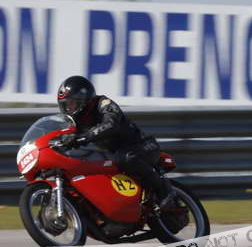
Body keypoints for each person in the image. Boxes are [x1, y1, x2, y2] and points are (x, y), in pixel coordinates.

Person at [56, 75, 175, 209]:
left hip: (142, 145)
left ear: (84, 101)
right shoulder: (75, 121)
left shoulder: (103, 103)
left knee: (127, 158)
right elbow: (63, 134)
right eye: (66, 105)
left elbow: (111, 123)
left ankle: (164, 190)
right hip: (115, 154)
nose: (68, 108)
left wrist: (84, 137)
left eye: (71, 103)